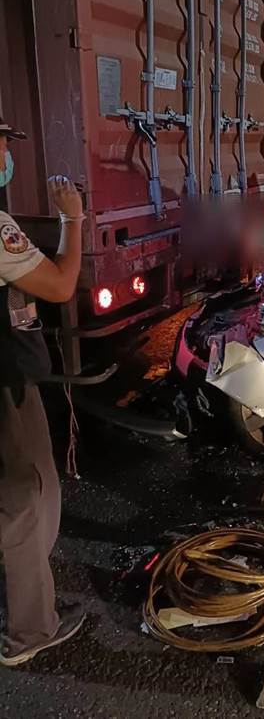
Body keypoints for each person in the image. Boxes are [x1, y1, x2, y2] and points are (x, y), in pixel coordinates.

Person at [0, 117, 86, 666]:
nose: (6, 155)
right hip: (5, 384)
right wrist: (72, 219)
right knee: (26, 498)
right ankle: (28, 633)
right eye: (1, 145)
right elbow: (59, 285)